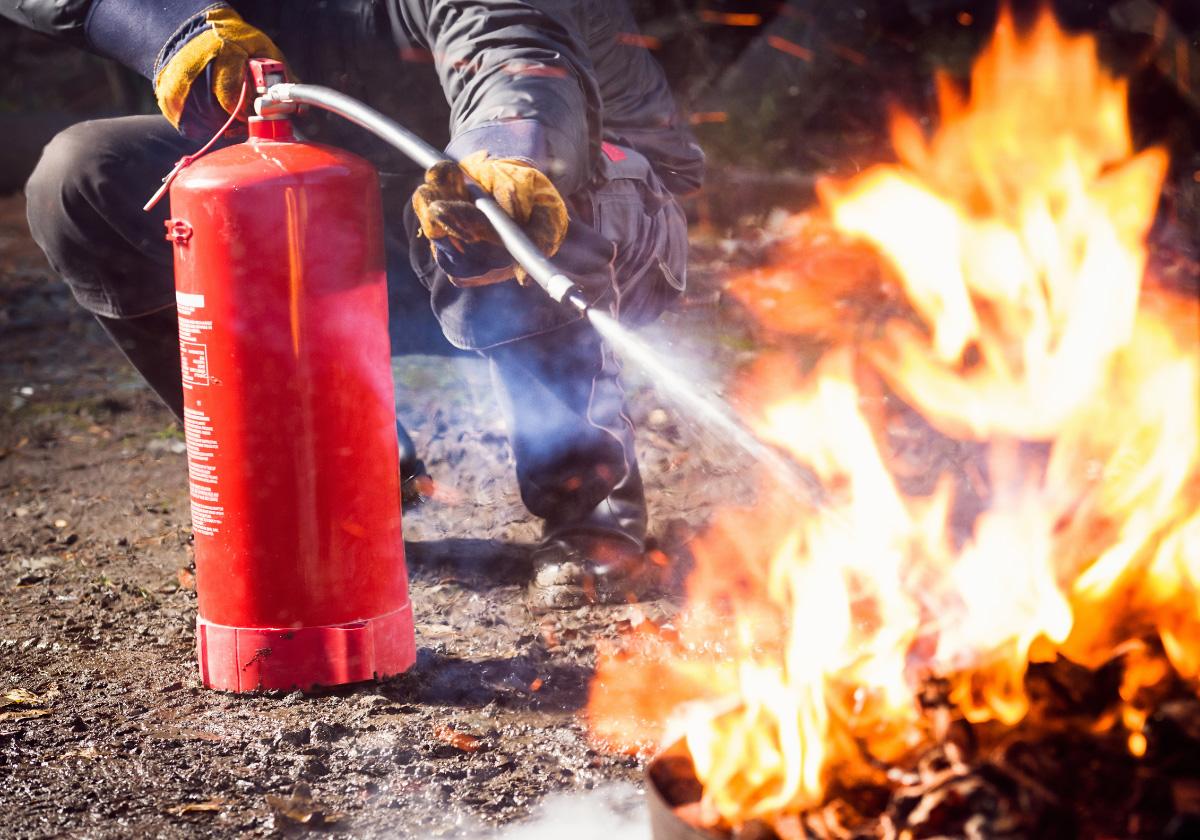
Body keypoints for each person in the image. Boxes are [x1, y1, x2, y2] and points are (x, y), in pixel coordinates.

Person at [2, 0, 704, 609]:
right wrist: (167, 27)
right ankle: (338, 479)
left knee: (495, 193)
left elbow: (514, 48)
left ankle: (588, 510)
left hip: (592, 198)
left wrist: (505, 148)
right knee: (82, 176)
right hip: (351, 200)